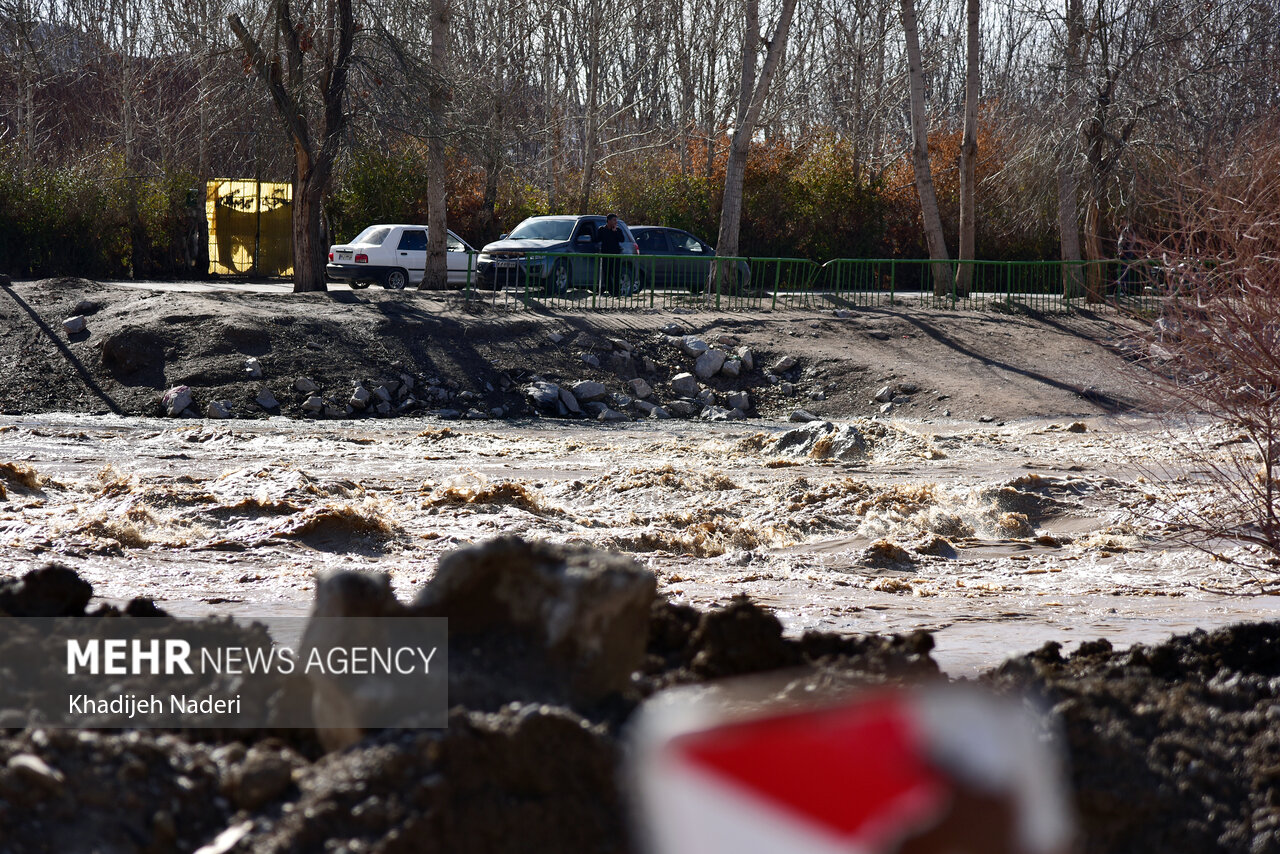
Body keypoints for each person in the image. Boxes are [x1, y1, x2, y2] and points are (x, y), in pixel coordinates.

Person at [598, 213, 625, 294]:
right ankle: (610, 291)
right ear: (608, 221)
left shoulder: (618, 230)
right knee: (607, 274)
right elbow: (598, 239)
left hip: (616, 255)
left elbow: (622, 239)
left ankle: (616, 292)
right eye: (614, 220)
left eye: (616, 220)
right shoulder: (602, 229)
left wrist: (615, 232)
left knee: (616, 274)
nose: (615, 222)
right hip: (606, 255)